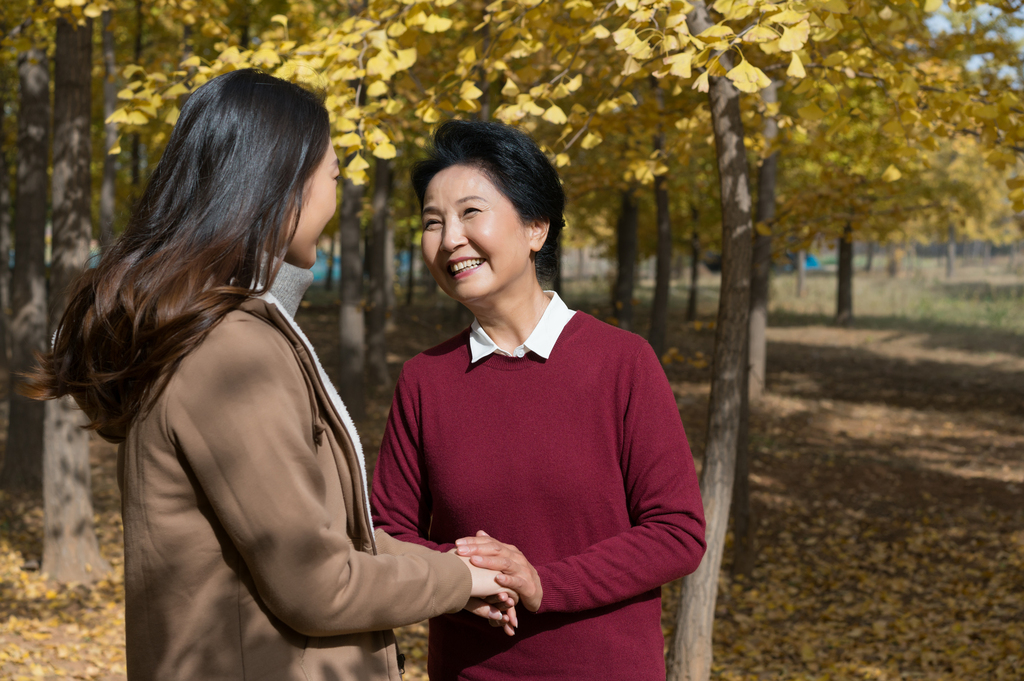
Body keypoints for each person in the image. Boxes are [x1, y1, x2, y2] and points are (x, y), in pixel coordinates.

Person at [22, 70, 516, 681]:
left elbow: (331, 538)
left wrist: (461, 574)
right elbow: (318, 582)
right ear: (281, 183)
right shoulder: (231, 351)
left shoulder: (214, 331)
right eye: (332, 177)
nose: (337, 196)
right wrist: (457, 578)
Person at [371, 119, 708, 681]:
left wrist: (542, 582)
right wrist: (458, 580)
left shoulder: (621, 362)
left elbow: (677, 531)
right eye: (433, 222)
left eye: (470, 212)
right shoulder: (424, 379)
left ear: (536, 228)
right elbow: (388, 531)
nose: (450, 238)